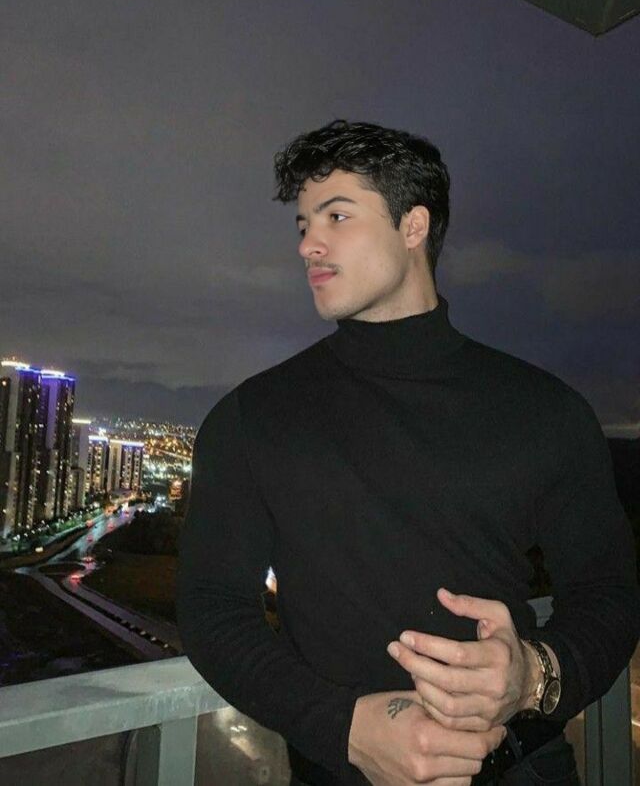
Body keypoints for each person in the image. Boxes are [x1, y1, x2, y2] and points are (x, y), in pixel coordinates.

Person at [176, 120, 640, 785]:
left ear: (413, 225)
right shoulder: (251, 418)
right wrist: (345, 727)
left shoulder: (544, 409)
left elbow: (608, 592)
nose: (308, 243)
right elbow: (213, 608)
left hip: (522, 768)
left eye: (337, 215)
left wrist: (533, 676)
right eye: (303, 223)